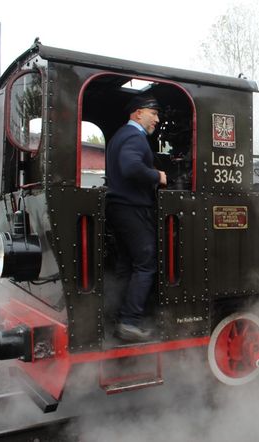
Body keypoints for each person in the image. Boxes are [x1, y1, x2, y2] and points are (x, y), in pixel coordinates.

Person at [105, 94, 167, 342]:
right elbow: (130, 167)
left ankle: (117, 316)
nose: (157, 120)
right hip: (132, 208)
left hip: (119, 208)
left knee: (126, 266)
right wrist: (157, 175)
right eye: (154, 114)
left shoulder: (119, 136)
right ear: (138, 113)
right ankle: (129, 322)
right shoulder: (134, 136)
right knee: (147, 262)